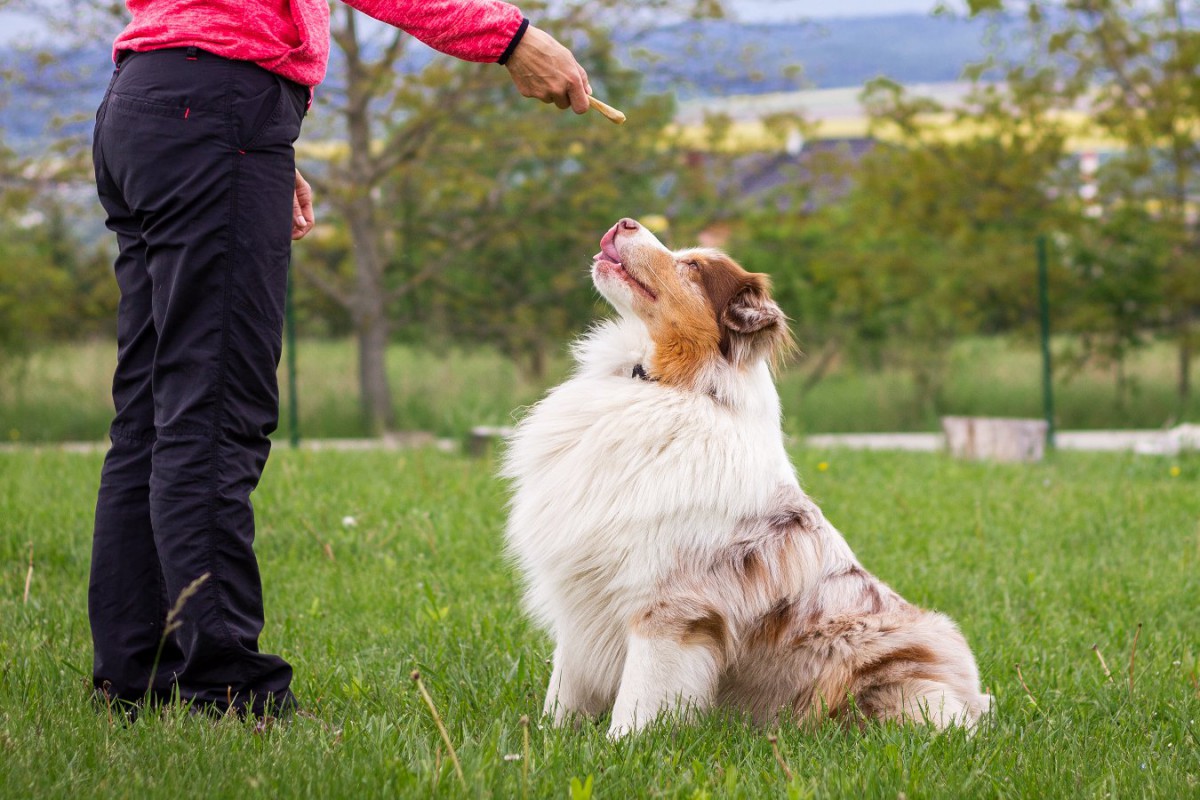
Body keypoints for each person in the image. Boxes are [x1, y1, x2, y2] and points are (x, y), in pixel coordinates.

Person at [89, 0, 591, 720]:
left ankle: (132, 676)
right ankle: (227, 691)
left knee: (148, 415)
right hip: (214, 107)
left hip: (146, 105)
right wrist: (509, 38)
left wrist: (256, 154)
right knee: (211, 414)